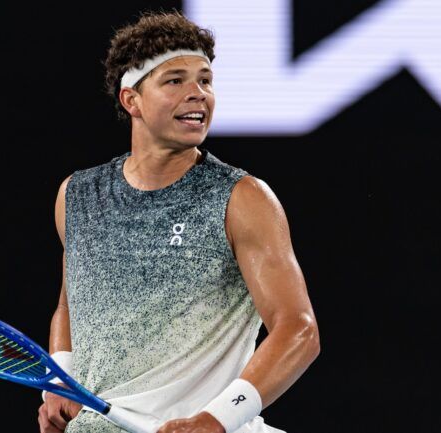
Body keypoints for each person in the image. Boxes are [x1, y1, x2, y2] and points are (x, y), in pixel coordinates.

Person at [37, 10, 320, 433]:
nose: (198, 94)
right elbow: (70, 306)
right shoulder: (77, 196)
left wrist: (217, 419)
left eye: (205, 80)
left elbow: (298, 330)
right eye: (176, 81)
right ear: (131, 99)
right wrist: (61, 378)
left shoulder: (242, 198)